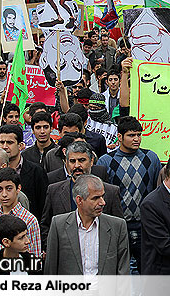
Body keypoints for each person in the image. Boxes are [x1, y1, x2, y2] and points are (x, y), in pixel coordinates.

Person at [96, 116, 161, 274]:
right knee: (118, 270)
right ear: (119, 137)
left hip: (144, 225)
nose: (137, 139)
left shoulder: (150, 158)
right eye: (132, 135)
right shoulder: (106, 161)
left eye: (139, 134)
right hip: (117, 225)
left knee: (146, 270)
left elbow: (157, 191)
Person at [40, 141, 122, 250]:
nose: (77, 165)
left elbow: (118, 229)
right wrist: (53, 250)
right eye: (72, 161)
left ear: (92, 161)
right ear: (66, 163)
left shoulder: (110, 192)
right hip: (66, 256)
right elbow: (46, 225)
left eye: (82, 160)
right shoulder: (54, 190)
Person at [44, 174, 129, 274]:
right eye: (95, 198)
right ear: (79, 200)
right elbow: (51, 269)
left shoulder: (117, 226)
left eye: (102, 196)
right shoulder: (58, 225)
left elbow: (123, 272)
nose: (102, 202)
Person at [0, 168, 41, 259]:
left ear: (18, 188)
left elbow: (35, 255)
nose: (4, 194)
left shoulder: (29, 219)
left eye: (9, 189)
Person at [0, 124, 48, 219]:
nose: (4, 146)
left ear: (20, 145)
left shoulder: (36, 171)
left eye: (9, 142)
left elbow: (43, 207)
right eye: (2, 142)